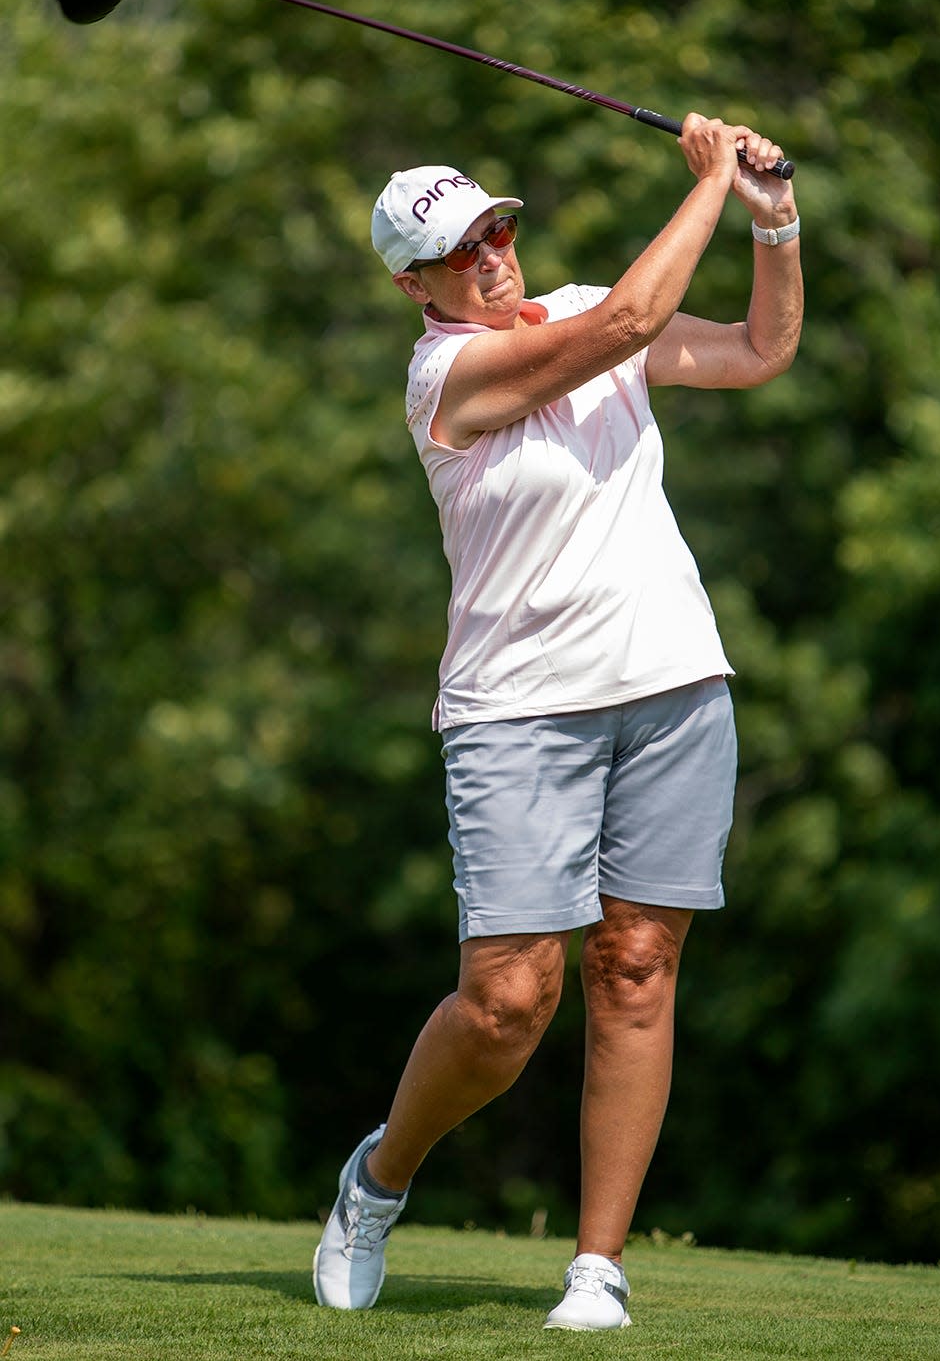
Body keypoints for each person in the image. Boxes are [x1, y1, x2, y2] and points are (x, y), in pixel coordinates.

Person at [313, 113, 802, 1331]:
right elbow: (630, 326)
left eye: (495, 229)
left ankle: (598, 1268)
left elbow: (754, 350)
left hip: (674, 680)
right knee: (508, 1001)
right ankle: (377, 1183)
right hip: (519, 710)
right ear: (411, 284)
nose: (489, 256)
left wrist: (773, 219)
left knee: (635, 970)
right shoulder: (447, 379)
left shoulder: (582, 303)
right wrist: (709, 184)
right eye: (458, 249)